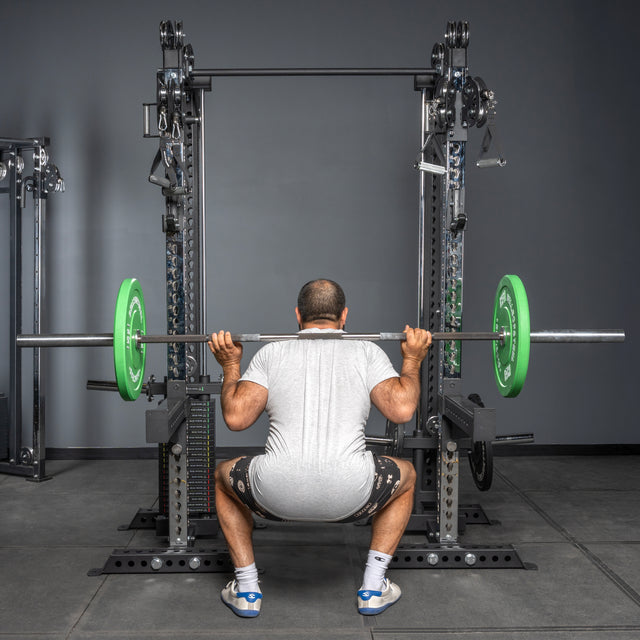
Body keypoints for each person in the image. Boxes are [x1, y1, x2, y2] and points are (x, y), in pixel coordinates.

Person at [208, 279, 431, 618]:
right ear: (344, 316)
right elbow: (402, 410)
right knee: (408, 476)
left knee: (224, 476)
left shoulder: (272, 352)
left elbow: (236, 418)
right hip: (356, 497)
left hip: (271, 496)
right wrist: (412, 359)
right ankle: (373, 586)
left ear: (298, 315)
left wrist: (230, 366)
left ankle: (247, 588)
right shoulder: (366, 351)